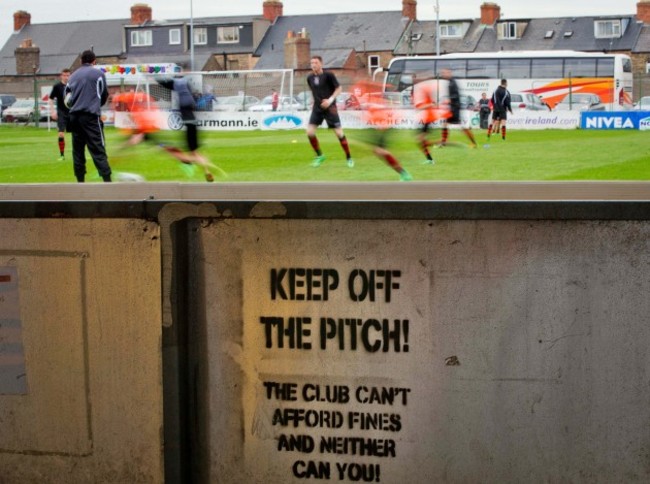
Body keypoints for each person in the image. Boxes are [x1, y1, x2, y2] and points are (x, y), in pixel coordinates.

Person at [156, 72, 216, 182]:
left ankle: (204, 166)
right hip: (194, 126)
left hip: (189, 127)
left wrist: (153, 76)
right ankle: (206, 171)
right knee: (195, 152)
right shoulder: (187, 90)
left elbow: (165, 83)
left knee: (186, 155)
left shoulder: (177, 86)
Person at [65, 50, 112, 183]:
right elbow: (104, 94)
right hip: (90, 116)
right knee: (98, 148)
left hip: (74, 117)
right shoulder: (98, 74)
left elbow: (67, 97)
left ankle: (80, 182)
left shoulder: (72, 76)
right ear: (94, 61)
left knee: (78, 151)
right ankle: (107, 181)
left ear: (81, 61)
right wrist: (96, 104)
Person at [351, 79, 412, 181]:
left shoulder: (373, 99)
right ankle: (402, 172)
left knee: (381, 151)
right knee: (378, 152)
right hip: (381, 127)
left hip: (385, 126)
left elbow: (382, 107)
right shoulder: (368, 99)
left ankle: (404, 173)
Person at [306, 55, 354, 168]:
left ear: (321, 64)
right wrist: (313, 101)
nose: (313, 65)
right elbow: (313, 90)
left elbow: (339, 89)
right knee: (310, 132)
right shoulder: (309, 77)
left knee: (339, 133)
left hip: (330, 108)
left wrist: (330, 100)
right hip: (317, 109)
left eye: (316, 63)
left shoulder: (328, 75)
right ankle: (319, 156)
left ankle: (349, 157)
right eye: (312, 63)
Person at [412, 73, 450, 164]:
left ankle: (438, 148)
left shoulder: (424, 89)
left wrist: (421, 107)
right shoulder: (422, 89)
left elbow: (431, 104)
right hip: (427, 119)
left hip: (428, 119)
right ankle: (431, 156)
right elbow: (431, 103)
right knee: (420, 140)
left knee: (420, 140)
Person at [439, 68, 477, 148]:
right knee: (445, 124)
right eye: (442, 73)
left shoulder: (453, 83)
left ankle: (474, 143)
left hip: (455, 108)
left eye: (444, 73)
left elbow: (456, 95)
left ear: (449, 73)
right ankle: (443, 143)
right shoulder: (450, 82)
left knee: (462, 127)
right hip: (453, 107)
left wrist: (449, 100)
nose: (443, 74)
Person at [48, 68, 71, 161]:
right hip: (61, 113)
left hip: (72, 113)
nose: (66, 77)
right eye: (64, 75)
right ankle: (62, 155)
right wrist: (52, 111)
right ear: (61, 76)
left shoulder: (73, 86)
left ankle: (79, 154)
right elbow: (50, 99)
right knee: (61, 134)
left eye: (68, 75)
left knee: (78, 134)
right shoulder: (57, 87)